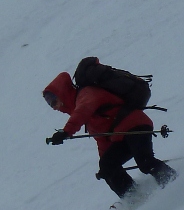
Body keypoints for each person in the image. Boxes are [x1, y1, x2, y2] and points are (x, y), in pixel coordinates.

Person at [43, 60, 176, 200]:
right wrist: (106, 169)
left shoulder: (86, 94)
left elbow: (82, 111)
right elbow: (102, 139)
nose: (53, 106)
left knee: (144, 162)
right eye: (49, 103)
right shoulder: (84, 112)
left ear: (62, 94)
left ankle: (174, 182)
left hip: (135, 125)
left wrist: (66, 132)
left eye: (53, 100)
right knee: (108, 166)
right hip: (122, 135)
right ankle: (136, 200)